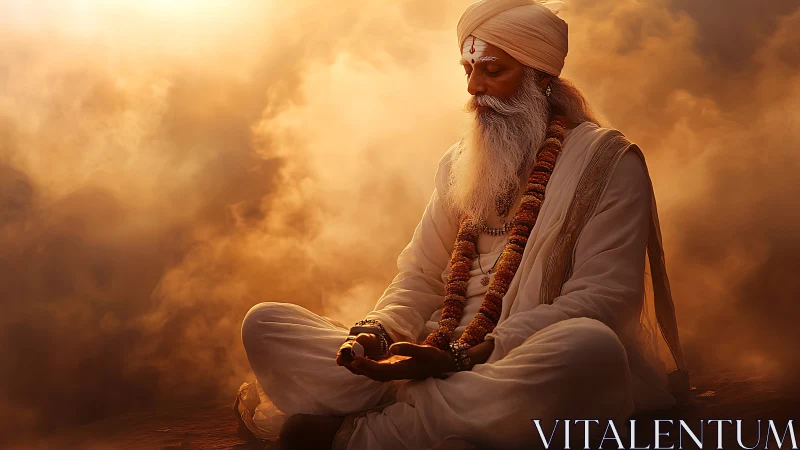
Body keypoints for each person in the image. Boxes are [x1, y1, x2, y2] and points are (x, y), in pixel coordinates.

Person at [240, 1, 689, 449]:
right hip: (425, 349)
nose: (475, 88)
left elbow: (603, 301)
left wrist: (463, 357)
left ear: (541, 78)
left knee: (591, 349)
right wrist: (378, 333)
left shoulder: (608, 164)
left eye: (493, 70)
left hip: (511, 358)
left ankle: (362, 432)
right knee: (264, 324)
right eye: (468, 70)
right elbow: (418, 275)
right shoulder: (459, 163)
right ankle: (432, 416)